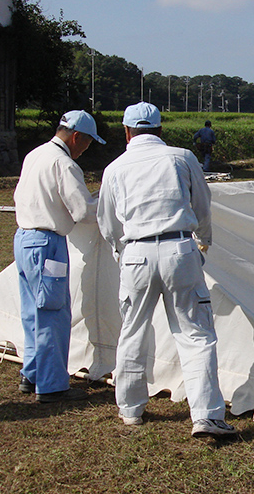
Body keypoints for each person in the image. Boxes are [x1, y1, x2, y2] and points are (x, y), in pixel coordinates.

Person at [97, 102, 236, 439]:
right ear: (160, 129)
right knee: (195, 333)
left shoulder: (114, 168)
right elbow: (202, 206)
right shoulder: (182, 157)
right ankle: (206, 415)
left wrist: (122, 252)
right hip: (179, 248)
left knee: (133, 330)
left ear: (127, 132)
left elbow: (107, 222)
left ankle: (130, 408)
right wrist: (203, 243)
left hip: (135, 253)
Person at [13, 110, 105, 402]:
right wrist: (105, 203)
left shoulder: (36, 155)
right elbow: (83, 211)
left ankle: (32, 373)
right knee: (53, 313)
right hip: (47, 245)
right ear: (77, 137)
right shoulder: (64, 164)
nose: (86, 148)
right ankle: (52, 386)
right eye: (88, 142)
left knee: (33, 312)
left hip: (24, 239)